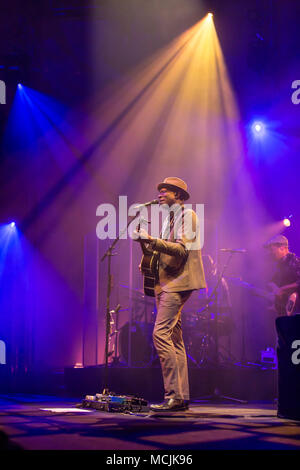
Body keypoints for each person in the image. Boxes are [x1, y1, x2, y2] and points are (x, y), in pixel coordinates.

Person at [134, 177, 206, 411]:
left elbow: (182, 250)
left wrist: (151, 240)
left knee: (160, 334)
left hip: (177, 284)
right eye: (160, 190)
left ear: (179, 196)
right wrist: (149, 255)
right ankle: (181, 396)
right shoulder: (172, 219)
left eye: (167, 190)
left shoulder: (188, 216)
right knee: (174, 340)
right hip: (167, 282)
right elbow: (168, 252)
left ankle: (173, 395)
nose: (161, 193)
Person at [263, 235, 300, 315]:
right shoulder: (279, 265)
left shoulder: (295, 261)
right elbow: (272, 282)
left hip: (297, 310)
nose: (270, 252)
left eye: (272, 250)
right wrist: (273, 287)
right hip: (285, 310)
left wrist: (282, 289)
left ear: (282, 248)